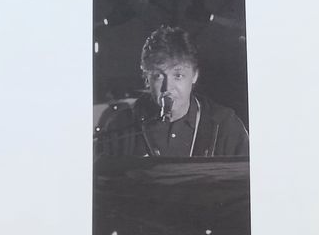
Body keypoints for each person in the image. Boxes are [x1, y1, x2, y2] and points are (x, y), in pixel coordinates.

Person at [95, 25, 249, 158]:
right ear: (147, 79)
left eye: (178, 75)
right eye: (158, 76)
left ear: (195, 76)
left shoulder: (226, 124)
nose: (167, 88)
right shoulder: (119, 127)